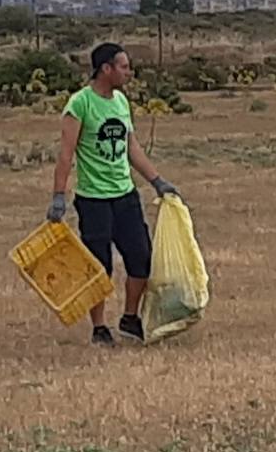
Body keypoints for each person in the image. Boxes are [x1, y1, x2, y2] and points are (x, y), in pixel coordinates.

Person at [48, 42, 179, 345]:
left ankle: (130, 318)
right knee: (99, 265)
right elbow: (66, 154)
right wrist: (58, 196)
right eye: (123, 67)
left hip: (125, 196)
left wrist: (158, 181)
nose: (128, 72)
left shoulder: (121, 102)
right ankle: (99, 327)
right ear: (105, 69)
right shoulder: (80, 104)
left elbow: (132, 148)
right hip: (94, 199)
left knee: (141, 259)